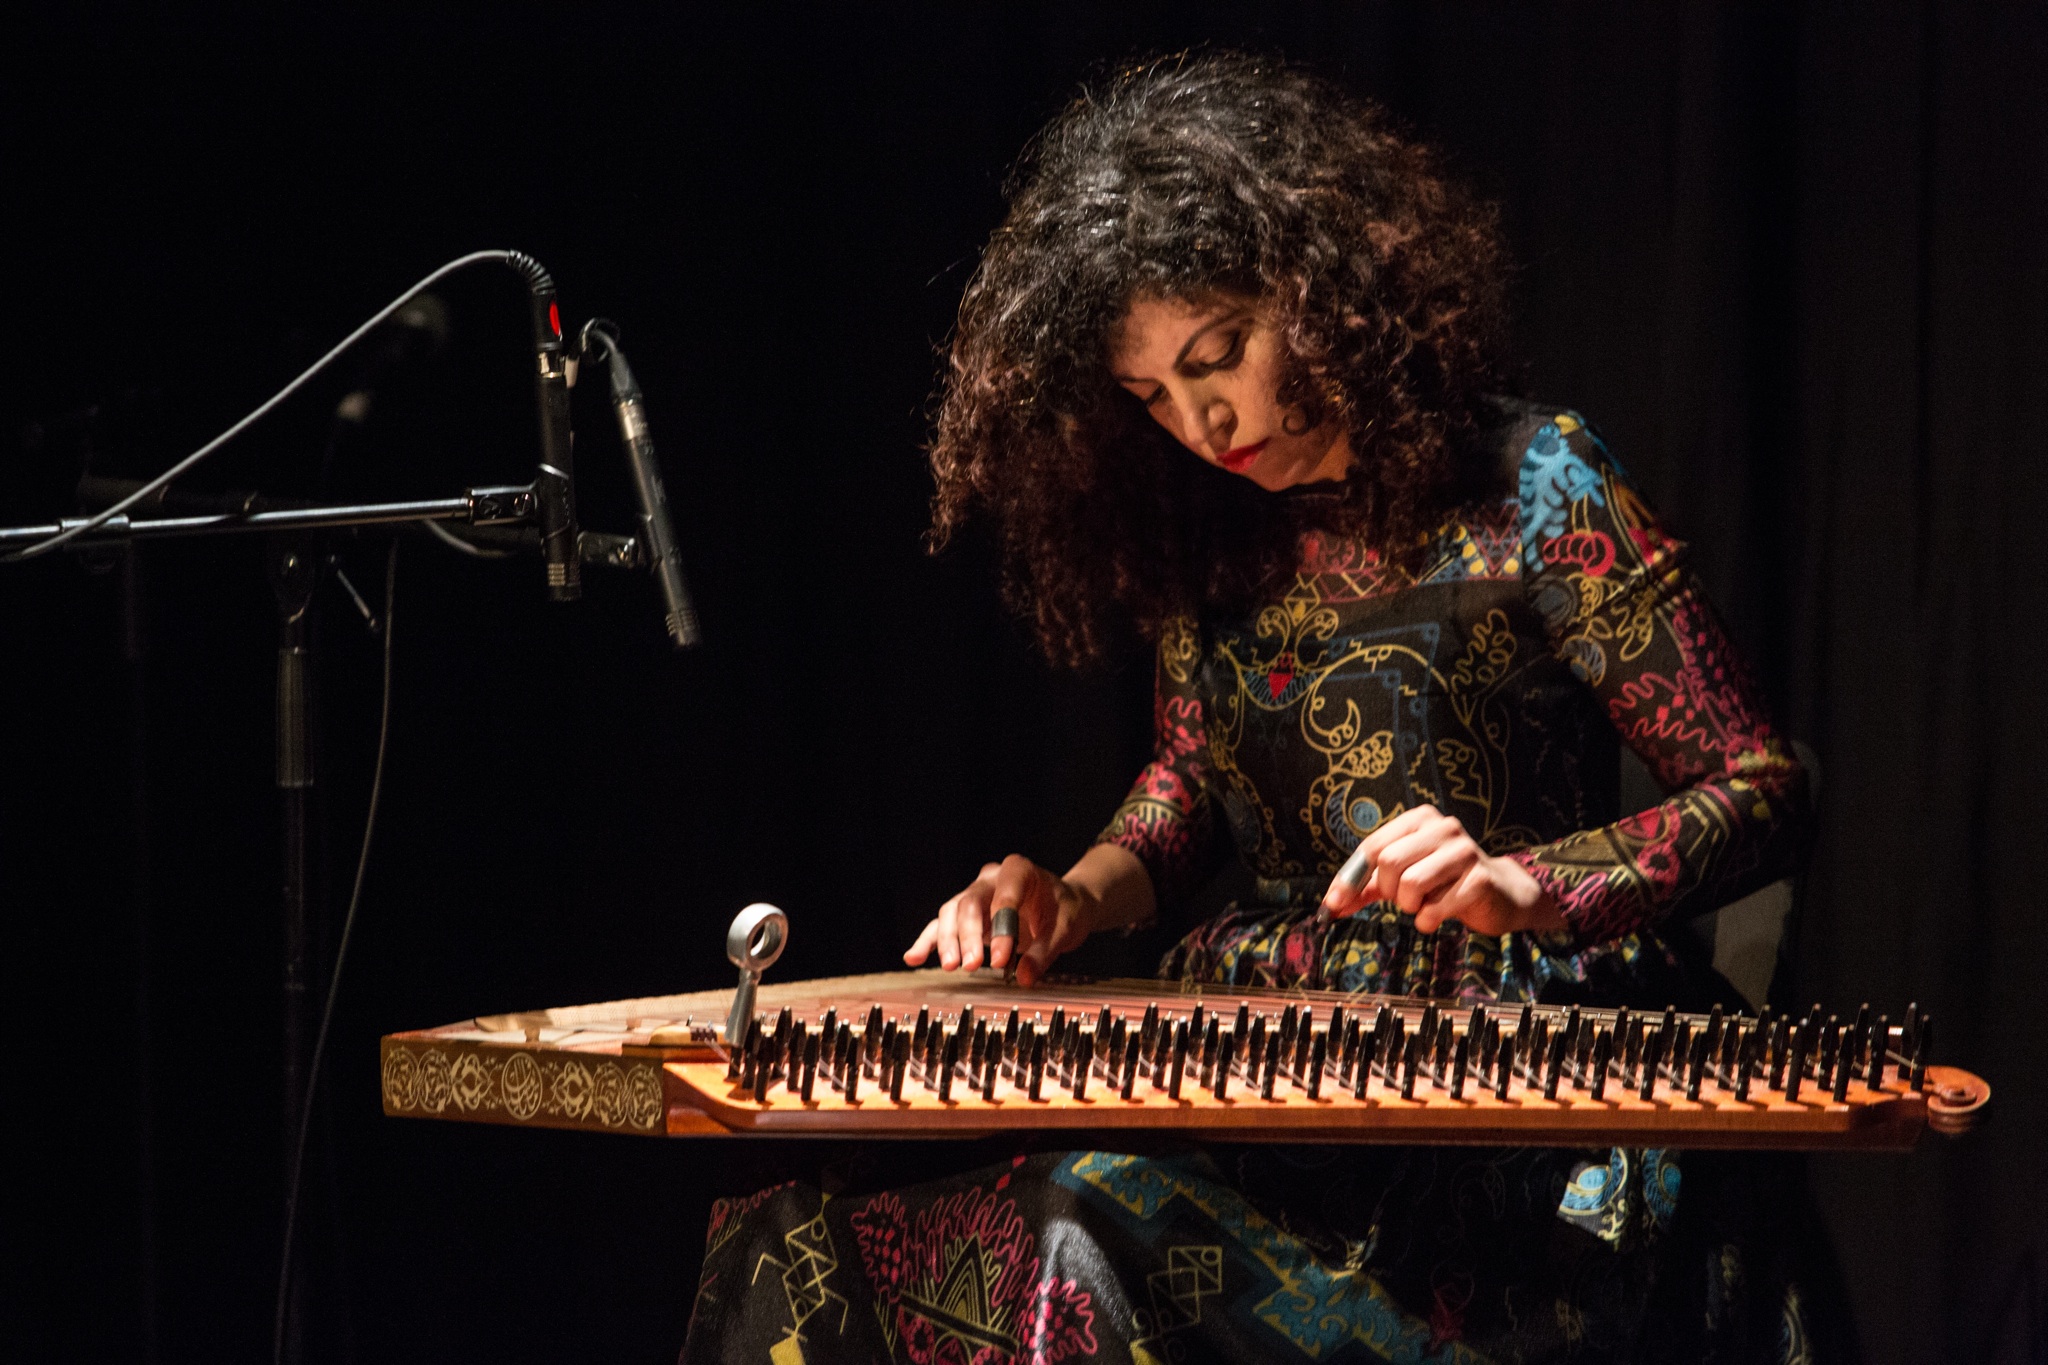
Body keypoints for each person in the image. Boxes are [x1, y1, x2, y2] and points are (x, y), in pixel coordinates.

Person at [685, 54, 1831, 1364]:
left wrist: (1530, 882)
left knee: (1072, 1225)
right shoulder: (1215, 539)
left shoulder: (1535, 486)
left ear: (1318, 288)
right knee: (795, 1241)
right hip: (1264, 1063)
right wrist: (1076, 893)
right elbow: (1184, 792)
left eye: (1217, 354)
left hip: (1510, 1104)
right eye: (1149, 394)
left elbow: (1757, 783)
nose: (1200, 420)